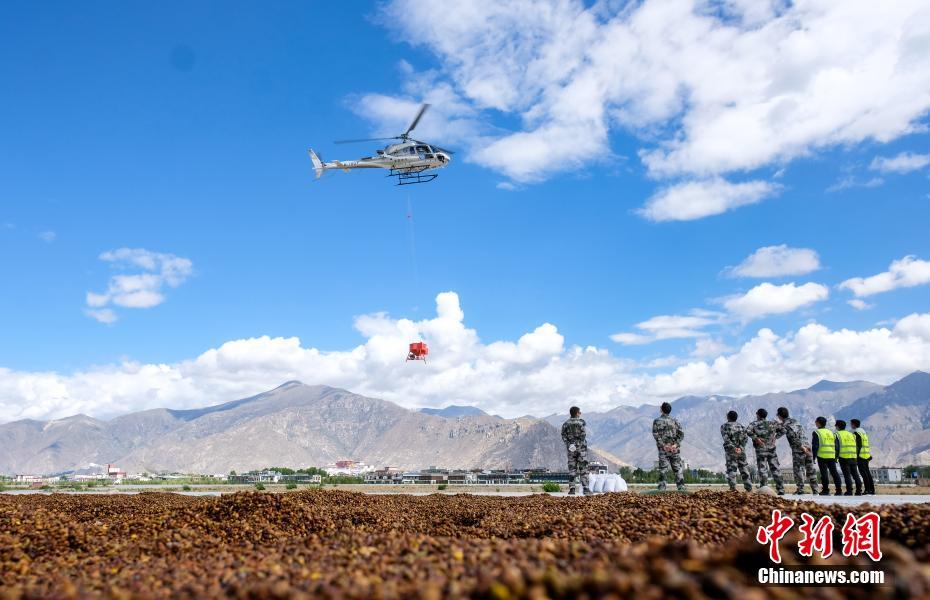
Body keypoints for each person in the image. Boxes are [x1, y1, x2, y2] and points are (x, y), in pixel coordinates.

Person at [775, 407, 819, 495]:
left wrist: (801, 447)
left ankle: (800, 489)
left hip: (799, 449)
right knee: (810, 469)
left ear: (779, 416)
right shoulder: (795, 421)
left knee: (798, 469)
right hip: (807, 446)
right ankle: (815, 489)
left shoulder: (785, 425)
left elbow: (792, 437)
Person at [747, 408, 785, 495]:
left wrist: (756, 439)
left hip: (761, 450)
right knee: (775, 469)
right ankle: (781, 489)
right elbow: (784, 430)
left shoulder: (754, 424)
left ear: (757, 414)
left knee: (762, 469)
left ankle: (764, 488)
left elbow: (748, 431)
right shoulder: (773, 423)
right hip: (771, 449)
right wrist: (775, 437)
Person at [652, 402, 686, 492]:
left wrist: (663, 445)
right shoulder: (675, 421)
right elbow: (681, 434)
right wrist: (675, 444)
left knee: (663, 469)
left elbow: (655, 435)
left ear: (661, 409)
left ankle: (662, 489)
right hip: (674, 449)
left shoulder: (657, 421)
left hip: (663, 450)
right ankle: (681, 488)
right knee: (677, 469)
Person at [560, 406, 592, 496]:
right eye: (579, 412)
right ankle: (586, 488)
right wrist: (578, 444)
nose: (580, 413)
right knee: (583, 468)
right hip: (581, 449)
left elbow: (563, 436)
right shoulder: (581, 423)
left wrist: (570, 444)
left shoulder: (566, 424)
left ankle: (572, 489)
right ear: (577, 413)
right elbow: (583, 435)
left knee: (572, 469)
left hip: (571, 449)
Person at [720, 410, 752, 492]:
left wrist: (734, 448)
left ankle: (733, 488)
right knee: (744, 469)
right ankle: (749, 488)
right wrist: (740, 448)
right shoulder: (741, 426)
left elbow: (726, 439)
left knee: (731, 470)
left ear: (728, 417)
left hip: (731, 451)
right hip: (741, 451)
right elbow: (745, 438)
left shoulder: (724, 426)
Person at [812, 416, 842, 495]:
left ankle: (826, 490)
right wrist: (836, 456)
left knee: (824, 474)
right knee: (835, 473)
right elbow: (837, 446)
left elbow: (815, 446)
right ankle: (839, 490)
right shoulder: (831, 433)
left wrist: (813, 457)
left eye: (816, 421)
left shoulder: (817, 432)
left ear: (818, 423)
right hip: (831, 456)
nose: (815, 423)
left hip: (822, 456)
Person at [835, 419, 862, 495]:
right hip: (853, 457)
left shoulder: (837, 434)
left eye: (836, 426)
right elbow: (857, 446)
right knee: (855, 474)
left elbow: (837, 447)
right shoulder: (851, 434)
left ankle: (849, 491)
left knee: (847, 475)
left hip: (844, 457)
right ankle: (859, 491)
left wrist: (836, 457)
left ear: (838, 426)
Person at [851, 419, 875, 495]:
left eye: (851, 424)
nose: (851, 425)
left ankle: (867, 490)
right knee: (867, 473)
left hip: (861, 455)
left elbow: (858, 445)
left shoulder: (856, 432)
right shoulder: (863, 432)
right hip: (866, 455)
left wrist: (856, 456)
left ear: (854, 424)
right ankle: (872, 490)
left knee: (864, 474)